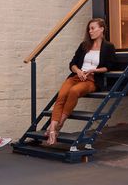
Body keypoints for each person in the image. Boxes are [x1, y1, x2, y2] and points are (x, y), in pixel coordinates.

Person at [46, 17, 116, 145]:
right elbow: (72, 63)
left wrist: (93, 71)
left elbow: (109, 66)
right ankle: (52, 130)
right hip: (76, 77)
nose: (90, 31)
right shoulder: (84, 45)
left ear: (102, 29)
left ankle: (58, 126)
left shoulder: (108, 47)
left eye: (93, 28)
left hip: (91, 80)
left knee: (73, 92)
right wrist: (78, 71)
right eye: (89, 29)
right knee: (61, 96)